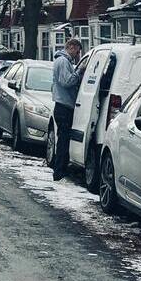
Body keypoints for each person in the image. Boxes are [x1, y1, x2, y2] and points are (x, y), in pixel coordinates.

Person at [49, 38, 85, 181]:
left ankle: (61, 169)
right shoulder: (63, 62)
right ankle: (59, 172)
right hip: (64, 107)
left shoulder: (62, 61)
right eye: (77, 50)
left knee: (63, 138)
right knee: (63, 140)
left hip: (62, 106)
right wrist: (79, 72)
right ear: (71, 46)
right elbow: (66, 81)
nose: (77, 54)